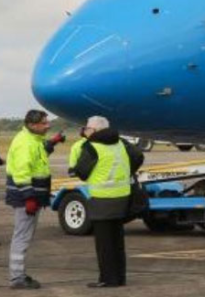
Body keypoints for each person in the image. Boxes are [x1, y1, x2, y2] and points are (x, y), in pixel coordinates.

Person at [71, 116, 145, 288]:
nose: (87, 131)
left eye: (88, 128)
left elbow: (81, 172)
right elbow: (138, 156)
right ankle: (120, 278)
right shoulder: (121, 142)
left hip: (102, 198)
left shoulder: (91, 146)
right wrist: (126, 172)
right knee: (117, 240)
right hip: (122, 195)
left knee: (104, 243)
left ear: (95, 130)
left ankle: (107, 279)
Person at [5, 109, 65, 290]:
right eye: (44, 123)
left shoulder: (34, 140)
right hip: (26, 197)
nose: (48, 126)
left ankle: (18, 274)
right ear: (32, 125)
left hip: (32, 196)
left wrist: (52, 143)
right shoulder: (25, 143)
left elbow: (39, 158)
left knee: (24, 235)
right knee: (22, 236)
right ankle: (16, 278)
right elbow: (22, 173)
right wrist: (29, 197)